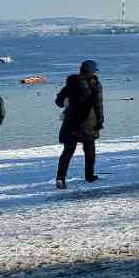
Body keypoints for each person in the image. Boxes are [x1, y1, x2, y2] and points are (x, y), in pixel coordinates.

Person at [55, 60, 105, 188]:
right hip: (88, 122)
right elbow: (98, 105)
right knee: (89, 151)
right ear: (93, 71)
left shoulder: (71, 83)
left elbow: (59, 101)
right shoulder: (95, 84)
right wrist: (100, 121)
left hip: (70, 122)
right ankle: (89, 176)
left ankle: (60, 178)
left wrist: (67, 102)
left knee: (68, 152)